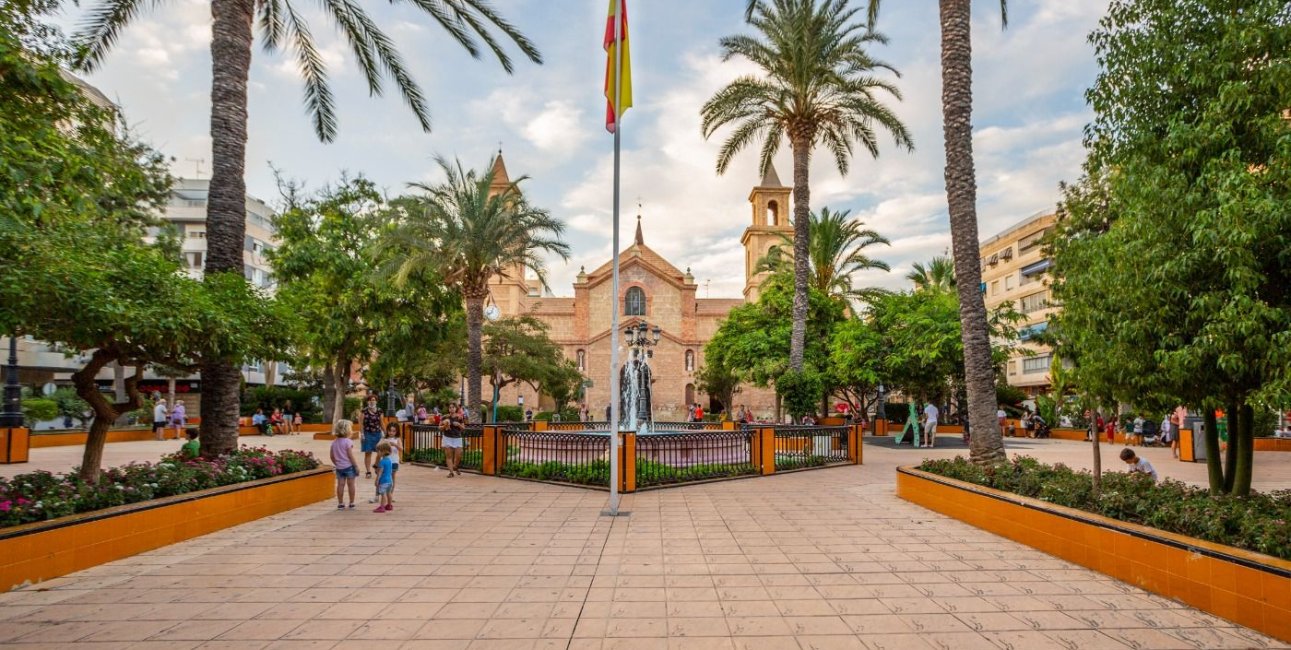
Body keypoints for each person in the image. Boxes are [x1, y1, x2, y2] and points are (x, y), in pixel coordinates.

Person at [372, 422, 403, 504]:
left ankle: (390, 495)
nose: (391, 433)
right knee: (380, 478)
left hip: (394, 462)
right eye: (390, 431)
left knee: (392, 478)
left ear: (396, 431)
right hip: (384, 462)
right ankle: (376, 496)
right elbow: (377, 447)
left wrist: (394, 445)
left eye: (394, 431)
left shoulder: (397, 439)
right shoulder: (384, 439)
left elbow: (401, 449)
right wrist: (384, 443)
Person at [330, 419, 358, 509]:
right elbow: (350, 456)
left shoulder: (334, 442)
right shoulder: (348, 442)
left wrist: (337, 463)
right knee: (351, 484)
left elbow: (332, 456)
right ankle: (352, 502)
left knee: (340, 485)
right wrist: (356, 466)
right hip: (349, 467)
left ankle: (340, 503)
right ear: (348, 430)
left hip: (339, 468)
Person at [440, 403, 467, 477]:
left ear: (456, 409)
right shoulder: (444, 417)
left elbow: (463, 428)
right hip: (447, 438)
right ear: (448, 409)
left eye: (453, 407)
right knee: (449, 456)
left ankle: (455, 467)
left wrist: (458, 424)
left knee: (459, 455)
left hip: (457, 438)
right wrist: (445, 425)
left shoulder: (459, 417)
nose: (451, 409)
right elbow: (439, 428)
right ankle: (451, 472)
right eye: (450, 407)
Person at [361, 397, 384, 479]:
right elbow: (361, 423)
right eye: (370, 400)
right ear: (368, 401)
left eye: (374, 400)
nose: (372, 401)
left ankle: (376, 464)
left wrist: (385, 433)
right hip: (367, 433)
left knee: (380, 452)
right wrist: (362, 434)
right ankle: (368, 471)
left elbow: (381, 422)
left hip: (377, 433)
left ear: (376, 401)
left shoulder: (379, 410)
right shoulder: (364, 411)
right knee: (368, 452)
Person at [373, 441, 395, 513]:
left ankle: (382, 507)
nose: (377, 453)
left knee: (383, 494)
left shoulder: (382, 462)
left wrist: (377, 480)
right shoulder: (389, 460)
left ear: (383, 451)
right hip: (390, 480)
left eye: (378, 451)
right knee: (389, 493)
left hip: (383, 481)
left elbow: (380, 472)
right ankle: (389, 505)